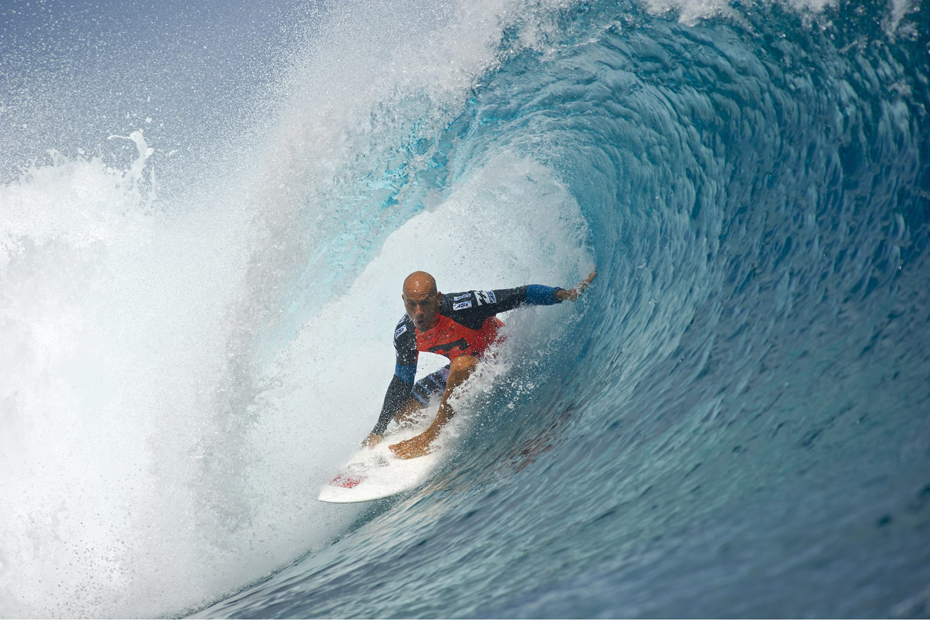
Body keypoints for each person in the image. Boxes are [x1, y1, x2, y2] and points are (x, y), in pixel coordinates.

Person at [366, 269, 597, 459]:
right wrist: (379, 429)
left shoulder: (465, 306)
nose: (419, 313)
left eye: (425, 303)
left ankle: (432, 435)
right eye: (412, 304)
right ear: (403, 301)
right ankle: (428, 421)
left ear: (437, 299)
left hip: (500, 359)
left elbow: (521, 294)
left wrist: (563, 294)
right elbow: (402, 381)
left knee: (461, 365)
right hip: (462, 367)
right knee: (402, 415)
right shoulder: (405, 334)